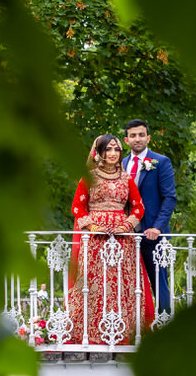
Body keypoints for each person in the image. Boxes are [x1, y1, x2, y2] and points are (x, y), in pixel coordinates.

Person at [66, 134, 154, 346]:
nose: (113, 153)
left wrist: (126, 225)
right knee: (92, 284)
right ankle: (88, 335)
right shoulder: (88, 177)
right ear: (99, 153)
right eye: (108, 149)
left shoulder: (126, 179)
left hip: (121, 238)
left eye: (116, 149)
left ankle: (125, 334)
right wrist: (93, 226)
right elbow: (77, 207)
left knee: (122, 285)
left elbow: (139, 207)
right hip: (95, 237)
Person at [122, 119, 177, 313]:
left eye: (141, 135)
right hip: (126, 237)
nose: (138, 139)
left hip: (152, 236)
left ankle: (165, 326)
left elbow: (169, 198)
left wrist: (157, 228)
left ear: (148, 138)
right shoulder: (121, 163)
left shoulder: (161, 162)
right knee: (127, 284)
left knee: (158, 283)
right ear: (126, 140)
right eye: (133, 135)